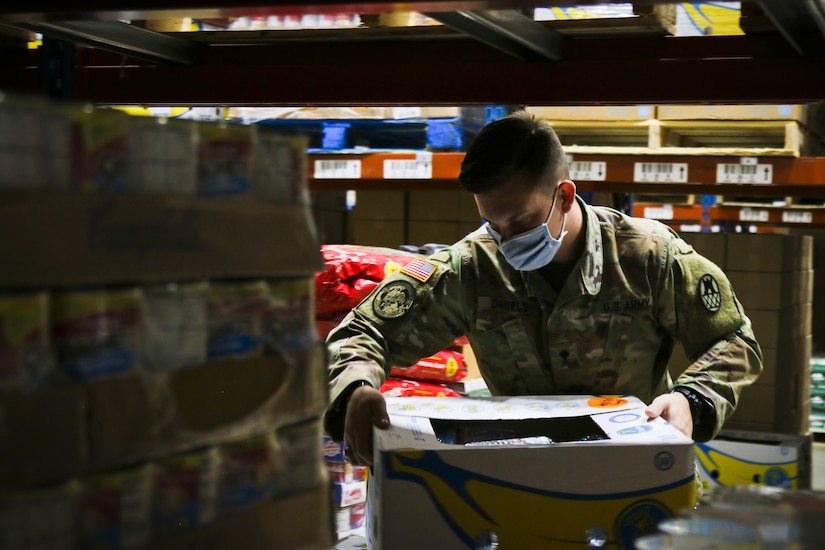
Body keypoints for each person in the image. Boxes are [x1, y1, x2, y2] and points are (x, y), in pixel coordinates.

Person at [323, 110, 763, 467]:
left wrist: (692, 399)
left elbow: (733, 338)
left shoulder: (648, 257)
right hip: (518, 474)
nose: (505, 241)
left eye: (520, 222)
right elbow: (363, 331)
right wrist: (356, 388)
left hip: (635, 469)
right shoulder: (472, 268)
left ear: (566, 196)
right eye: (491, 224)